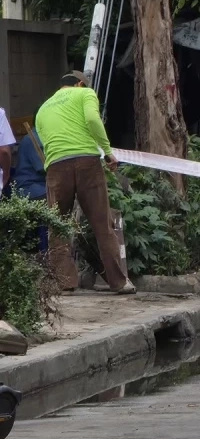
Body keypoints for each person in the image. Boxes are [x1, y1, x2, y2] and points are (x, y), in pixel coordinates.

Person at [35, 72, 132, 294]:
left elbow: (45, 139)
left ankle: (65, 282)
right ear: (79, 84)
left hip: (56, 167)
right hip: (88, 163)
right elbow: (91, 119)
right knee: (102, 225)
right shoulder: (85, 93)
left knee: (57, 226)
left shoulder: (42, 109)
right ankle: (119, 282)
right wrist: (108, 153)